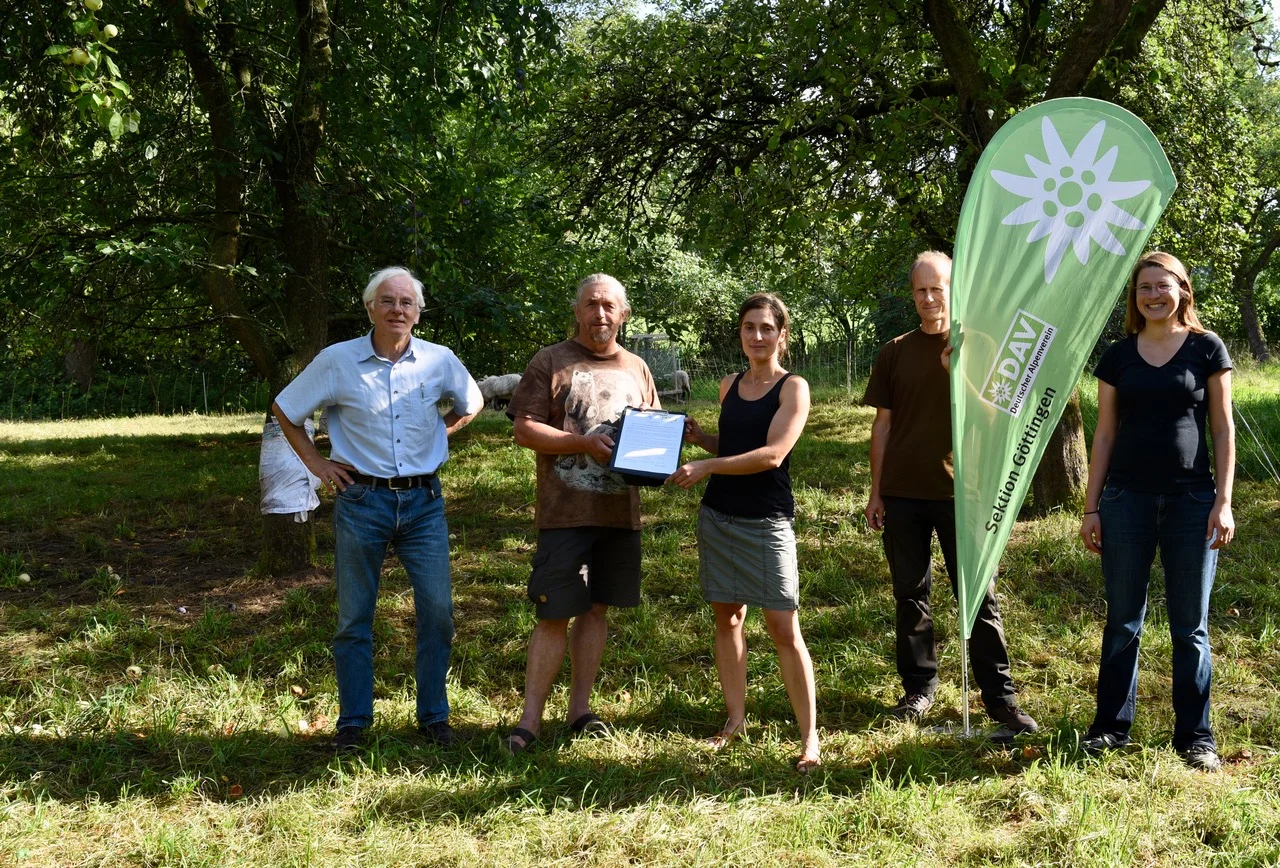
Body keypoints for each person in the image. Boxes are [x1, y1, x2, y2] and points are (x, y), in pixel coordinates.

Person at [272, 266, 483, 753]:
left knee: (437, 612)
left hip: (424, 503)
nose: (397, 309)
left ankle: (433, 717)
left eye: (407, 302)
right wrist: (316, 464)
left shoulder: (440, 360)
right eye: (387, 301)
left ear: (418, 311)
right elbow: (287, 408)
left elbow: (470, 402)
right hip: (361, 500)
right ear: (369, 307)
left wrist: (438, 434)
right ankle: (353, 724)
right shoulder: (337, 360)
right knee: (354, 618)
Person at [862, 251, 1039, 733]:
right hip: (901, 494)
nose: (928, 298)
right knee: (910, 596)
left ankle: (1000, 699)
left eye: (937, 288)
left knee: (979, 595)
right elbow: (882, 427)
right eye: (920, 290)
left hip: (965, 495)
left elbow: (996, 420)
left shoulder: (978, 345)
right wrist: (876, 492)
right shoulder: (893, 351)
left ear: (953, 289)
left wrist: (955, 370)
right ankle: (919, 689)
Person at [1078, 252, 1235, 772]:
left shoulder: (1207, 348)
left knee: (1190, 626)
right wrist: (1092, 507)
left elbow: (1222, 429)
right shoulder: (1117, 356)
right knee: (1123, 620)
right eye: (1144, 287)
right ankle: (1109, 729)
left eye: (1162, 286)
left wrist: (1224, 502)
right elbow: (1103, 434)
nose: (1153, 295)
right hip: (1125, 503)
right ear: (1134, 297)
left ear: (1182, 290)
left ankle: (1196, 737)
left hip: (1193, 503)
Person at [502, 273, 660, 753]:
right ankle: (530, 721)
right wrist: (581, 444)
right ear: (577, 310)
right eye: (592, 305)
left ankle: (580, 710)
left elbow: (653, 432)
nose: (601, 314)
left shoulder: (638, 367)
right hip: (564, 512)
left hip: (619, 514)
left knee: (596, 610)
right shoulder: (550, 360)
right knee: (554, 614)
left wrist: (671, 446)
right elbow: (525, 430)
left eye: (611, 306)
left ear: (624, 314)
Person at [669, 293, 821, 773]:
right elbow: (737, 445)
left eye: (766, 328)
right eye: (749, 327)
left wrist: (706, 464)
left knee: (783, 628)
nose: (757, 336)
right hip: (718, 517)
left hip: (767, 521)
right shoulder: (727, 384)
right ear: (740, 333)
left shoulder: (793, 388)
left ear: (782, 335)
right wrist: (701, 440)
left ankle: (810, 738)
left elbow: (772, 453)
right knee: (728, 620)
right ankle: (735, 720)